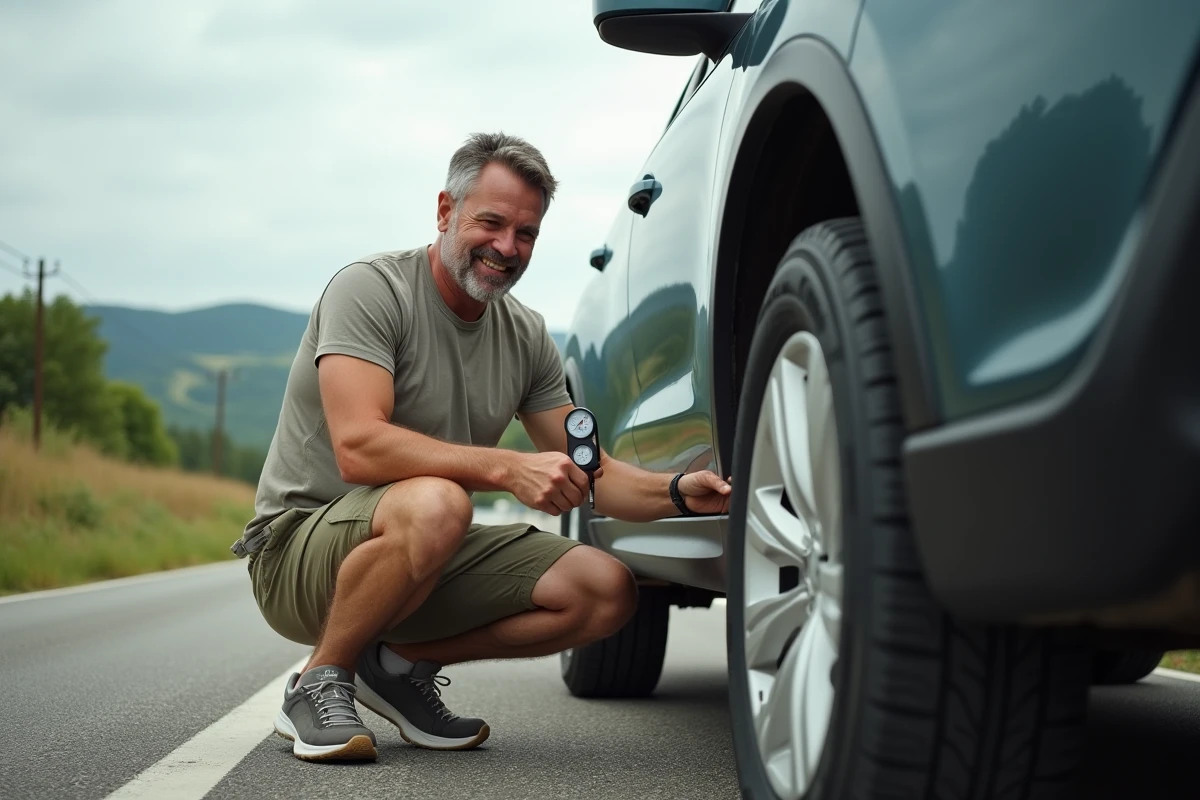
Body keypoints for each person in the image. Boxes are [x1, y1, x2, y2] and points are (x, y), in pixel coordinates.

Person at [230, 132, 732, 763]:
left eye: (526, 233)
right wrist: (507, 467)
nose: (507, 247)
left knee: (606, 588)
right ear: (446, 211)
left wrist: (681, 494)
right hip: (297, 551)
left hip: (425, 544)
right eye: (491, 223)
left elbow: (594, 474)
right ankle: (320, 680)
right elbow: (359, 447)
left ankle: (396, 666)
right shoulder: (370, 289)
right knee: (441, 503)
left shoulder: (526, 334)